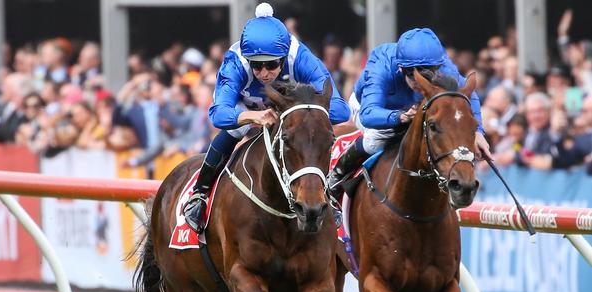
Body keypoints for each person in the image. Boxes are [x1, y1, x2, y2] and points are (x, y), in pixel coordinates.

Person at [182, 3, 350, 233]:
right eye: (257, 65)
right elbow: (218, 114)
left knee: (309, 133)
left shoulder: (300, 56)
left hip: (287, 107)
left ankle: (326, 194)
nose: (263, 73)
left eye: (271, 64)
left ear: (283, 57)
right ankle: (199, 194)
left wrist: (298, 113)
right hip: (247, 104)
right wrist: (253, 116)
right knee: (235, 131)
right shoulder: (236, 61)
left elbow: (340, 110)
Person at [327, 28, 492, 199]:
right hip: (371, 107)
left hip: (416, 108)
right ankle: (336, 177)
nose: (419, 82)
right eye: (412, 74)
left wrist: (478, 132)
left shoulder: (444, 67)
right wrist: (400, 116)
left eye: (427, 74)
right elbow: (368, 114)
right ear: (400, 68)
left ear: (437, 67)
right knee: (374, 141)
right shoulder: (381, 66)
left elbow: (468, 95)